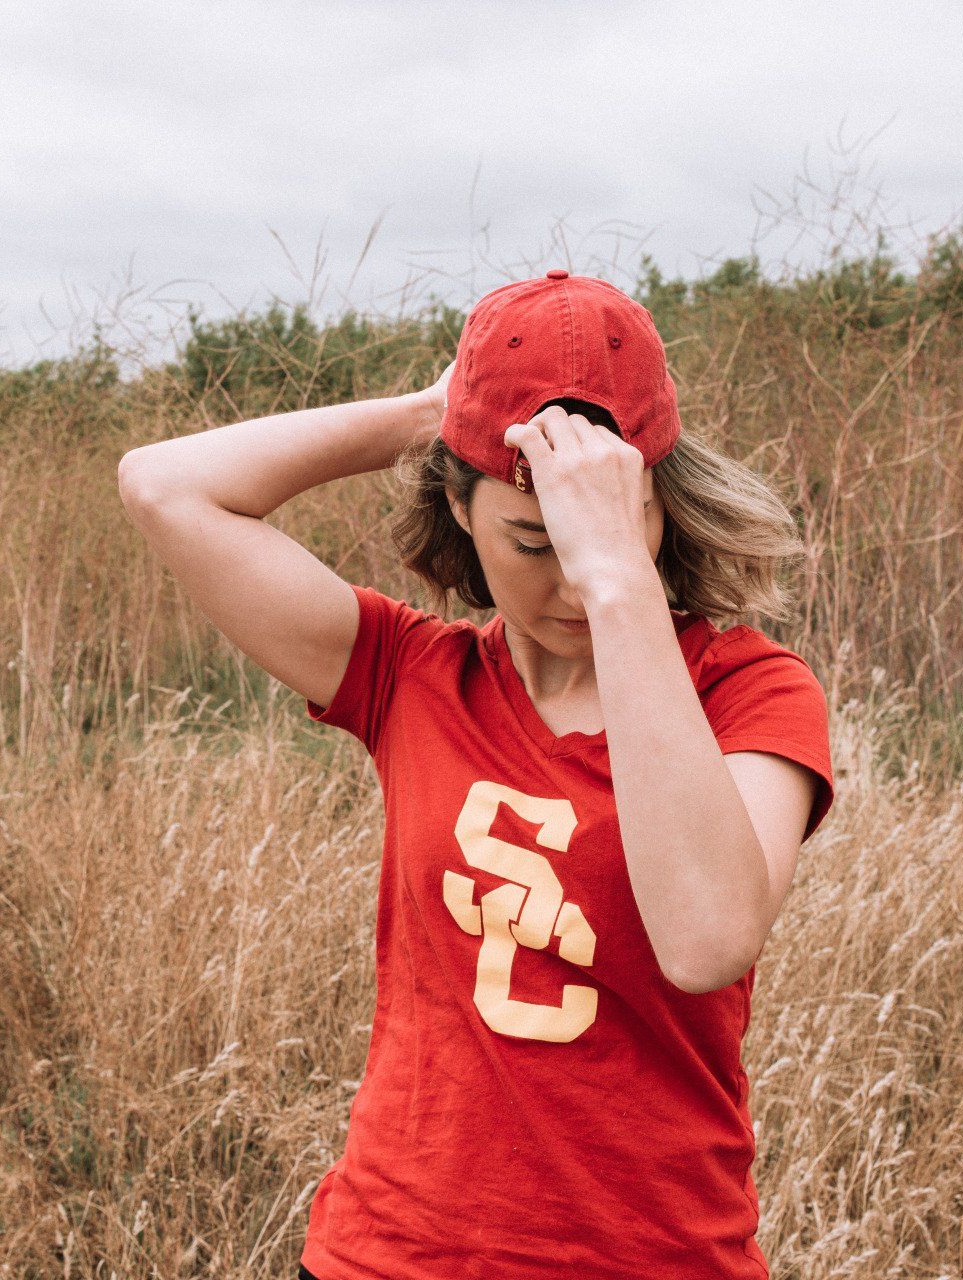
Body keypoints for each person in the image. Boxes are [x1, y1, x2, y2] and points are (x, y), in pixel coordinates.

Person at [117, 269, 834, 1279]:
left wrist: (618, 576)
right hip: (387, 1255)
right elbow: (163, 487)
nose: (573, 581)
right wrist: (436, 414)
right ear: (460, 507)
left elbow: (707, 938)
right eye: (535, 541)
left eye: (615, 529)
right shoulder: (410, 673)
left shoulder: (748, 690)